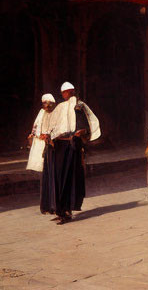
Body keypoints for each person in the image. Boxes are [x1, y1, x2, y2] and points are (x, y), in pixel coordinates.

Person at [46, 82, 100, 223]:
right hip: (59, 145)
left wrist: (80, 133)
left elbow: (87, 124)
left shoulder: (79, 106)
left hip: (72, 146)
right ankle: (60, 210)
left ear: (72, 92)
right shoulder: (60, 107)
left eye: (68, 92)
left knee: (68, 178)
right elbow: (53, 124)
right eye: (64, 92)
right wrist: (49, 136)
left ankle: (66, 211)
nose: (66, 95)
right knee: (58, 177)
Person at [26, 93, 57, 215]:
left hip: (51, 146)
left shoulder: (55, 114)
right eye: (45, 103)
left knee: (52, 177)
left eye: (48, 104)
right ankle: (45, 206)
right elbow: (36, 128)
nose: (46, 106)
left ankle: (53, 205)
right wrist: (36, 136)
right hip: (42, 146)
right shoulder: (41, 113)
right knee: (44, 177)